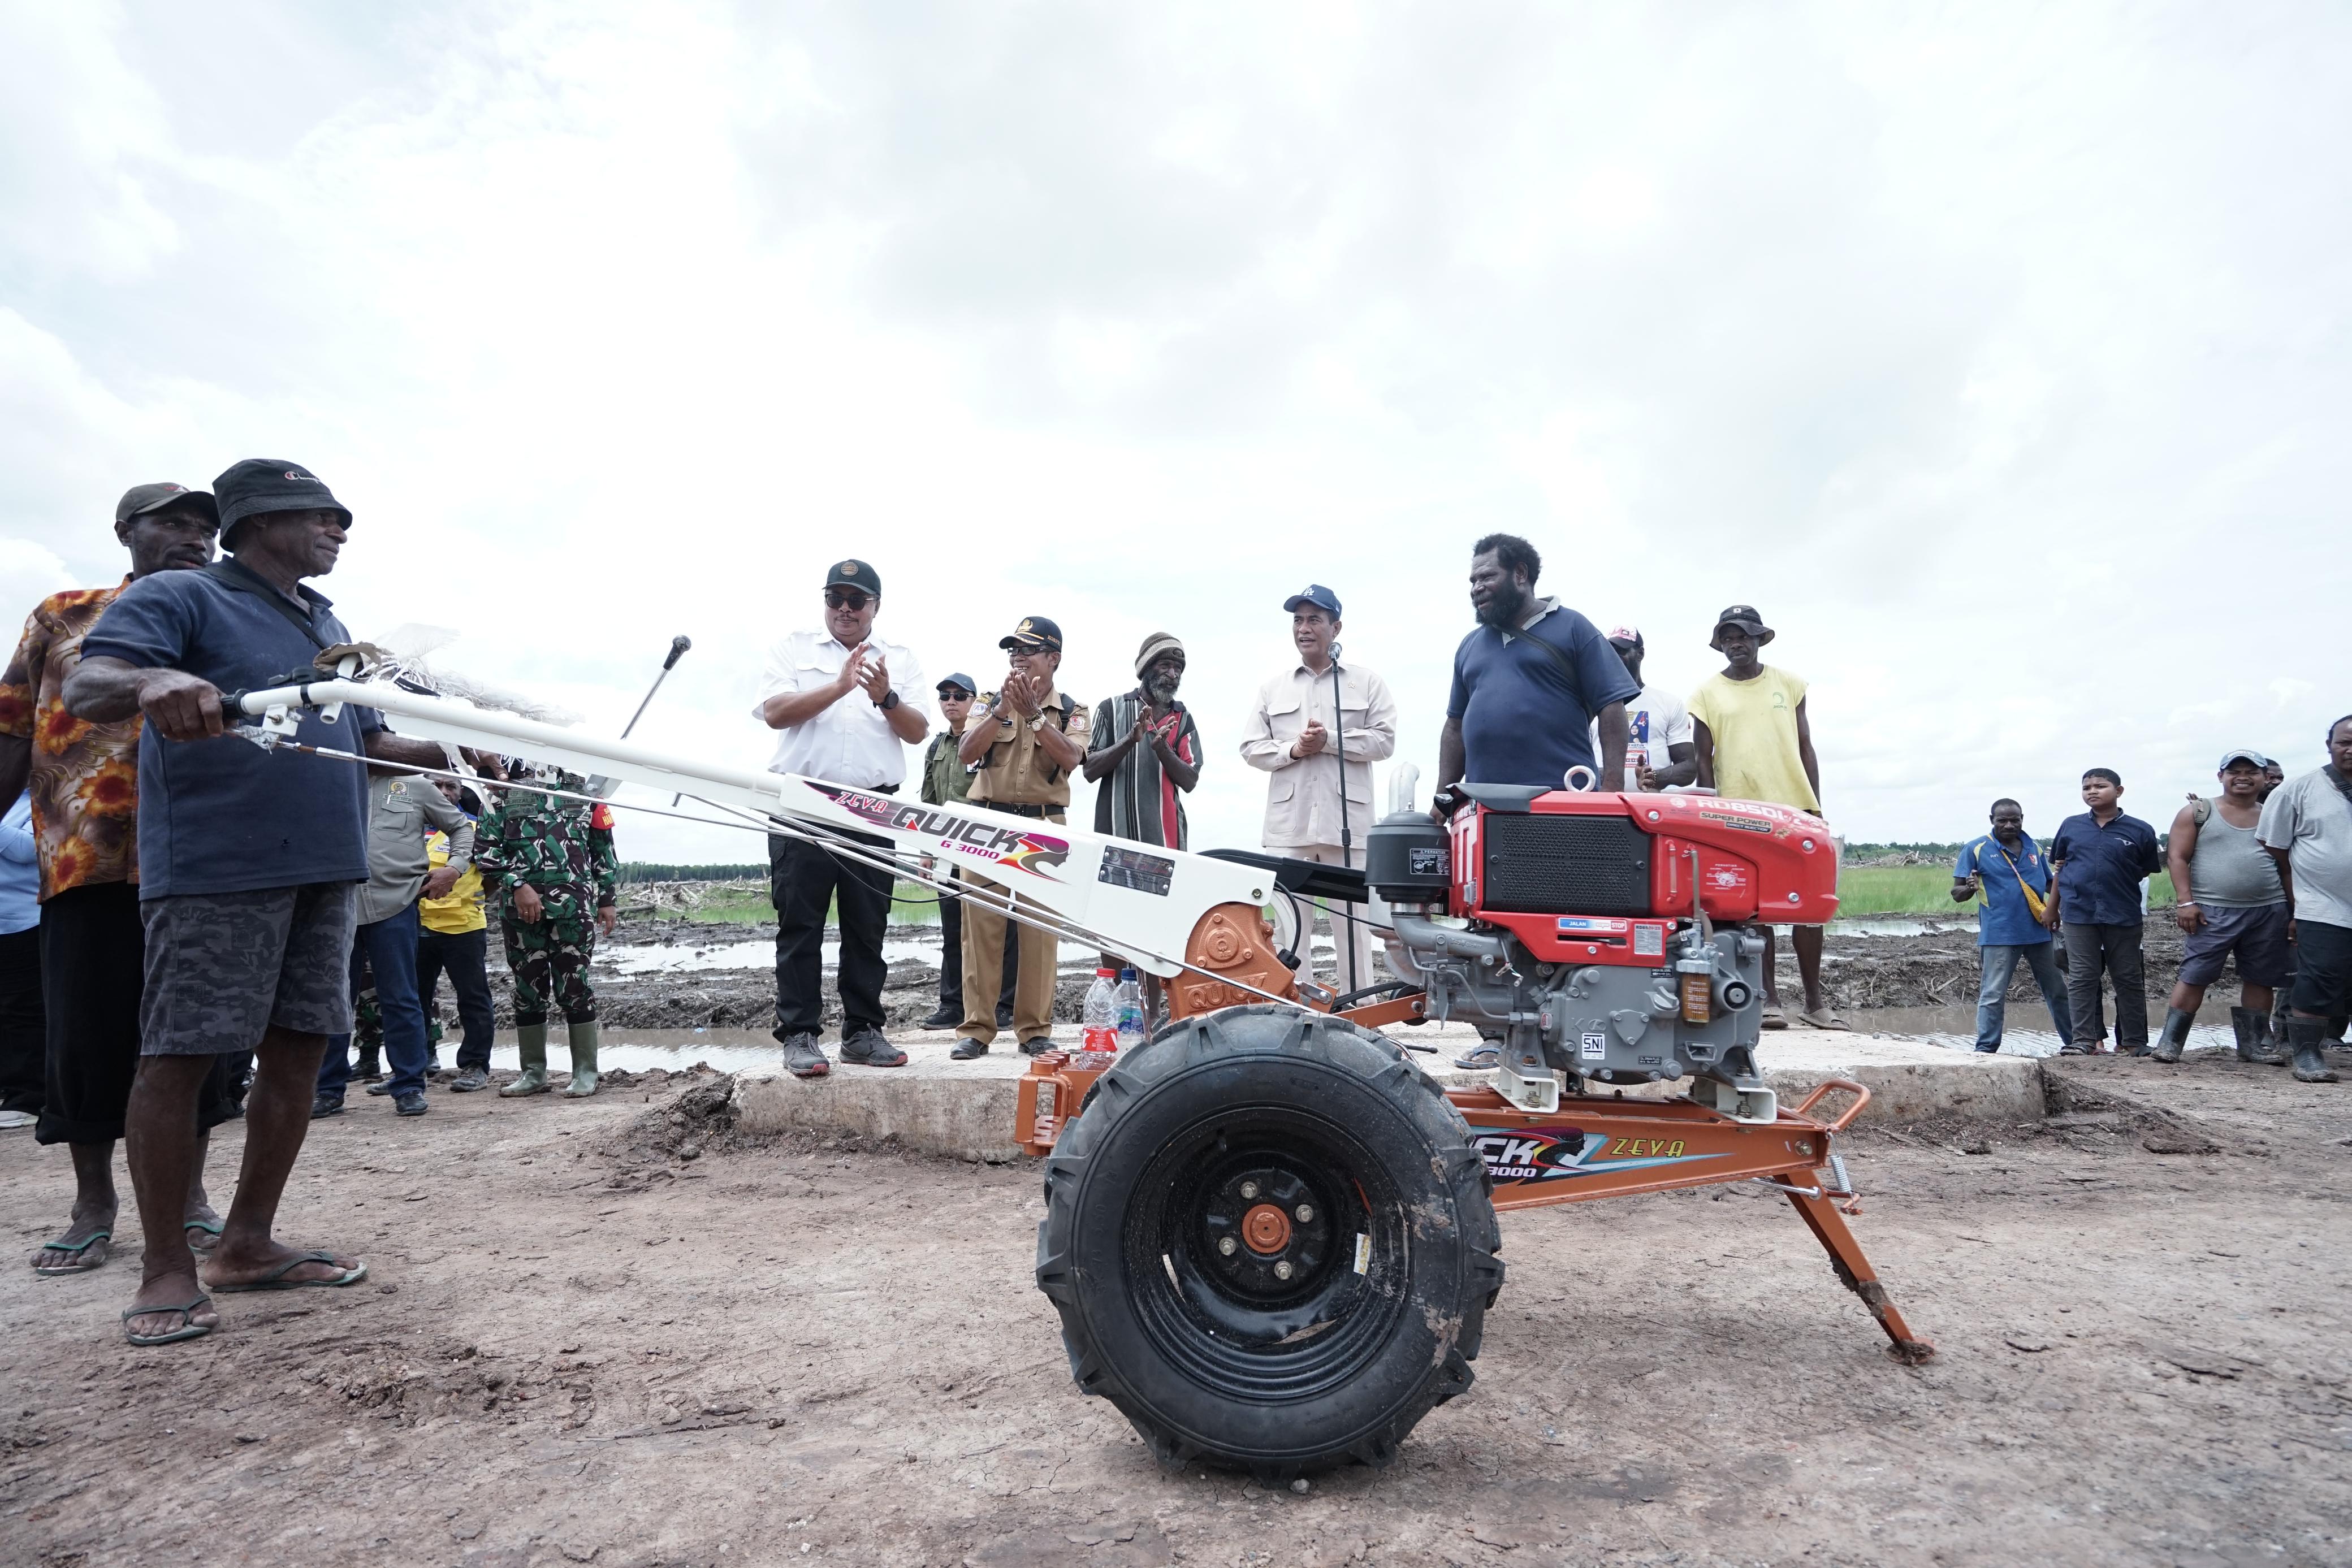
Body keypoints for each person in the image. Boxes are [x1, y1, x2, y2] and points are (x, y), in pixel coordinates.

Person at [66, 458, 449, 1344]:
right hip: (217, 864)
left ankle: (246, 1242)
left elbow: (366, 739)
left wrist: (458, 752)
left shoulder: (325, 620)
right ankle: (166, 1268)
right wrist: (155, 683)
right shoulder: (188, 597)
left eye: (343, 518)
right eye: (319, 515)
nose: (339, 529)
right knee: (182, 1052)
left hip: (326, 866)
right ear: (255, 520)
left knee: (298, 1047)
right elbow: (94, 683)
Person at [0, 482, 239, 1280]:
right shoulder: (63, 614)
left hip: (200, 858)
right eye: (173, 522)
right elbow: (11, 725)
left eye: (206, 528)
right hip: (86, 860)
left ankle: (191, 1196)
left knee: (193, 1034)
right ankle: (93, 1202)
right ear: (124, 531)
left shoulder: (225, 616)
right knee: (85, 1034)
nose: (194, 537)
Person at [753, 560, 928, 1078]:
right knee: (800, 925)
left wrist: (884, 697)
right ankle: (801, 1034)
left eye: (858, 600)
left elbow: (917, 731)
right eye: (836, 598)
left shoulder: (899, 658)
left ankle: (862, 1031)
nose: (845, 610)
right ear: (825, 601)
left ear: (876, 606)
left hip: (873, 810)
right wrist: (840, 686)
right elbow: (775, 712)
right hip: (802, 803)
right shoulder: (795, 648)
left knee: (867, 925)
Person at [1239, 584, 1398, 997]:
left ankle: (1363, 1020)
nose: (1304, 628)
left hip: (1348, 826)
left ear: (1336, 627)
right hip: (1289, 828)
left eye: (1314, 620)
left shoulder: (1367, 683)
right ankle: (1300, 1016)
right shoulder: (1273, 688)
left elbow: (1384, 742)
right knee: (1289, 933)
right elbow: (1251, 748)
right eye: (1298, 620)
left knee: (1354, 932)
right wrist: (1294, 748)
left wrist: (1328, 739)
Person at [1689, 605, 1841, 1029]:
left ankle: (1814, 1002)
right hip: (1739, 811)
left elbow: (1805, 745)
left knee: (1808, 907)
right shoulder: (1705, 694)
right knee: (1755, 909)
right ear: (1720, 644)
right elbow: (1704, 760)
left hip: (1794, 805)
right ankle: (1770, 1000)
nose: (1737, 644)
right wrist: (1709, 812)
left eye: (1744, 637)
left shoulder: (1789, 684)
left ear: (1759, 640)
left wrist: (1815, 805)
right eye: (1728, 638)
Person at [949, 616, 1088, 1060]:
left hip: (1045, 829)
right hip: (988, 824)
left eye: (1028, 649)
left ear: (1054, 659)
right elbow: (967, 751)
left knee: (1041, 931)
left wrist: (1034, 718)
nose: (1017, 656)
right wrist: (1002, 712)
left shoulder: (1074, 710)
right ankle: (976, 1030)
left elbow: (1072, 758)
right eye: (1013, 649)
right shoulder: (989, 701)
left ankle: (1035, 1031)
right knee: (980, 930)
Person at [310, 766, 475, 1117]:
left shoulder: (415, 786)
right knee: (335, 1000)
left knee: (401, 996)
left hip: (397, 903)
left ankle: (409, 1086)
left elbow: (461, 826)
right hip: (337, 907)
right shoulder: (330, 778)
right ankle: (327, 1089)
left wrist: (455, 867)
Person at [1436, 536, 1634, 801]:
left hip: (1561, 800)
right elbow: (1455, 726)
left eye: (1486, 577)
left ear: (1520, 574)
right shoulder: (1470, 645)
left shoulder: (1574, 627)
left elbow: (1611, 706)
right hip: (1484, 804)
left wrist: (1612, 791)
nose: (1477, 588)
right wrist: (1442, 797)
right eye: (1473, 582)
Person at [474, 767, 620, 1097]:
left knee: (576, 986)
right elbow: (486, 851)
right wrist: (517, 885)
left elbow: (603, 850)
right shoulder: (500, 793)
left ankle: (585, 1072)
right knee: (527, 989)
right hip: (522, 911)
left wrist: (608, 898)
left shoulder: (586, 793)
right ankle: (533, 1073)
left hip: (573, 908)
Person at [1085, 633, 1204, 1019]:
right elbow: (1088, 769)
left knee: (1157, 934)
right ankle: (1119, 1016)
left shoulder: (1182, 718)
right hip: (1115, 839)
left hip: (1164, 843)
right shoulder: (1111, 709)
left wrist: (1159, 747)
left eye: (1177, 668)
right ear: (1146, 669)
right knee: (1113, 928)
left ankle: (1151, 1017)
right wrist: (1130, 741)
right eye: (1164, 666)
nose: (1171, 674)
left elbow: (1189, 778)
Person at [2155, 750, 2290, 1066]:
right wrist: (2186, 902)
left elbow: (2287, 867)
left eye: (2251, 772)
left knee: (2260, 978)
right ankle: (2170, 1044)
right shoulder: (2198, 812)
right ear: (2221, 777)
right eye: (2234, 771)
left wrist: (2294, 913)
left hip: (2269, 910)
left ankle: (2253, 1045)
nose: (2242, 777)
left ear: (2265, 778)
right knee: (2195, 975)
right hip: (2211, 912)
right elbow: (2177, 858)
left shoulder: (2274, 815)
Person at [918, 673, 1016, 1032]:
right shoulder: (936, 746)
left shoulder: (989, 737)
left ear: (976, 701)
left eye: (960, 695)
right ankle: (952, 1005)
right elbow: (929, 801)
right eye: (944, 696)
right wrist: (925, 851)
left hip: (983, 847)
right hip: (947, 848)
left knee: (999, 930)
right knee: (952, 930)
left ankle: (1005, 1006)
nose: (951, 702)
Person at [2258, 716, 2352, 1084]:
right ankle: (2308, 1054)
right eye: (2345, 742)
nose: (2351, 749)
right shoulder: (2297, 791)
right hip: (2324, 904)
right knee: (2319, 976)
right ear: (2329, 746)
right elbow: (2273, 845)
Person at [2044, 768, 2163, 1056]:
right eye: (2087, 788)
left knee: (2129, 978)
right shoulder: (2071, 826)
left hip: (2123, 914)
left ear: (2119, 791)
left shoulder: (2140, 830)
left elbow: (2145, 868)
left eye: (2101, 786)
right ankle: (2083, 1041)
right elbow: (2061, 867)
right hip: (2078, 914)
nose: (2092, 791)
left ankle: (2134, 1042)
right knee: (2083, 978)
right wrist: (2052, 908)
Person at [1950, 800, 2072, 1054]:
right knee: (1993, 994)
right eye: (2002, 820)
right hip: (1999, 934)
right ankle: (1986, 1050)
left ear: (2022, 818)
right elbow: (1957, 893)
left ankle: (2075, 1044)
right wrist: (1969, 889)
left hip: (2040, 931)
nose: (2008, 825)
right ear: (1991, 819)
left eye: (2014, 820)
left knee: (2058, 990)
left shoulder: (2035, 848)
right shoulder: (1975, 848)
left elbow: (2051, 885)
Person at [419, 778, 499, 1092]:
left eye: (451, 786)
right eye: (436, 785)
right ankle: (416, 1064)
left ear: (461, 792)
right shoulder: (408, 827)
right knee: (413, 998)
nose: (444, 792)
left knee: (473, 998)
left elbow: (492, 876)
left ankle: (475, 1065)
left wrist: (476, 897)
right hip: (415, 926)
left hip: (463, 928)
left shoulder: (475, 830)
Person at [1596, 626, 1694, 789]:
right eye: (1610, 652)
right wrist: (1596, 772)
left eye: (1622, 651)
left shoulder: (1669, 703)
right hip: (1603, 808)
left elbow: (1688, 768)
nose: (1615, 657)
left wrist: (1653, 777)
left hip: (1650, 810)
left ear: (1640, 654)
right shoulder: (1591, 703)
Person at [0, 795, 42, 1128]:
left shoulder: (40, 795)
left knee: (22, 1010)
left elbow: (30, 849)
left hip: (23, 920)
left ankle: (28, 1097)